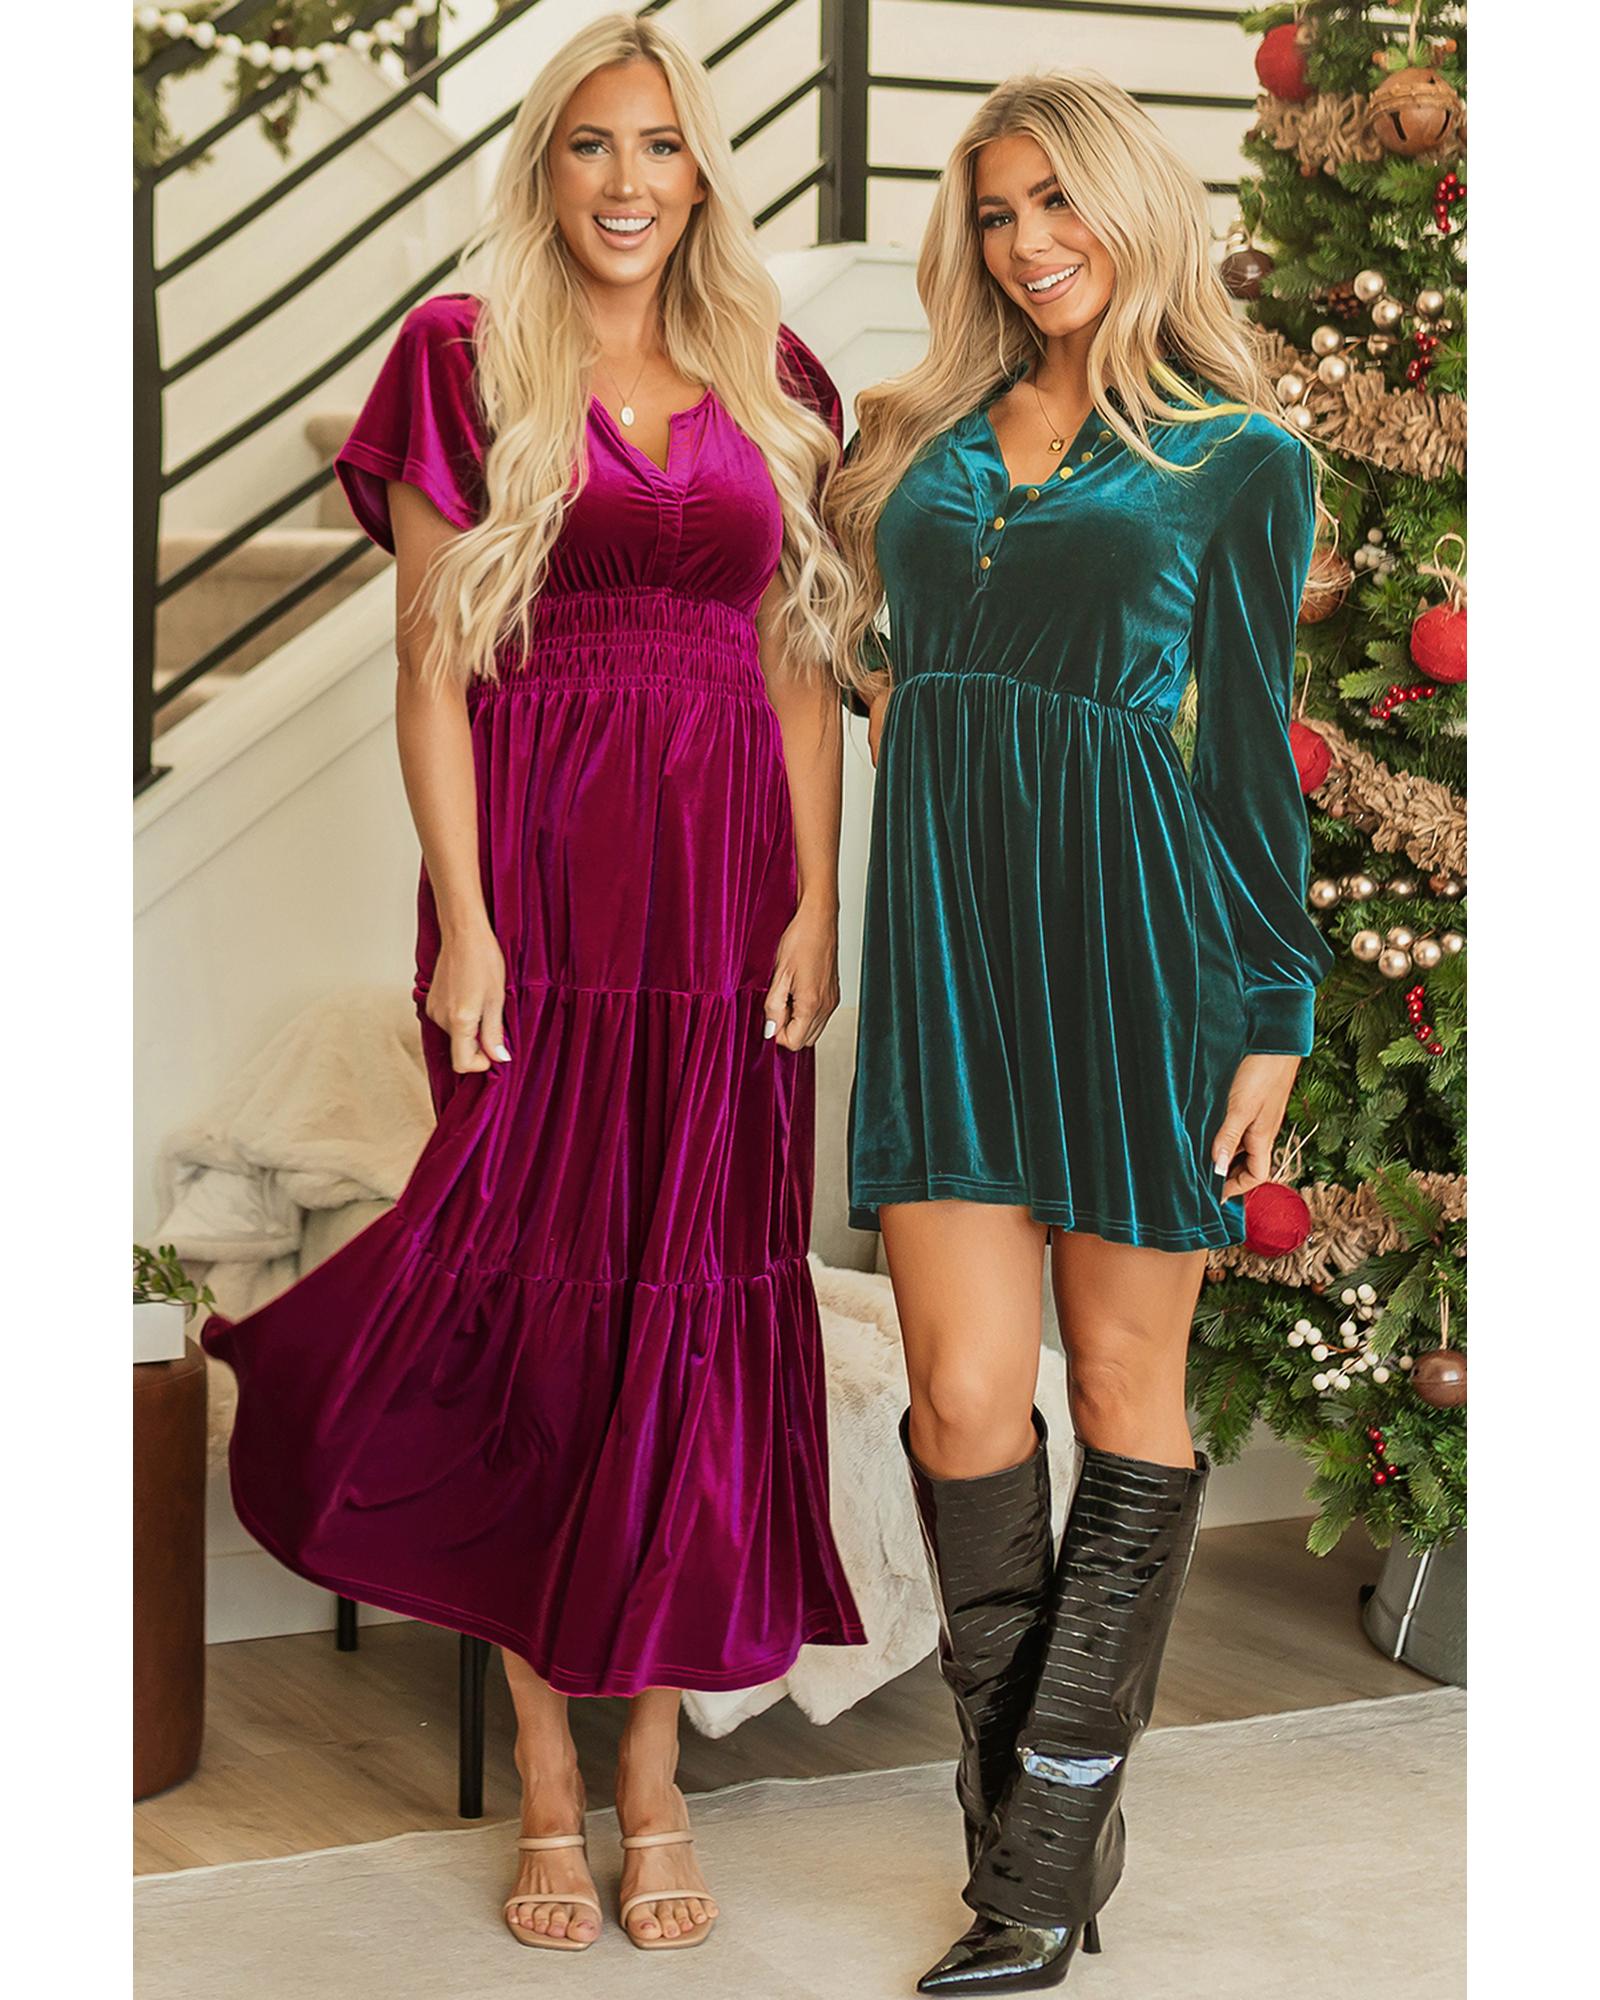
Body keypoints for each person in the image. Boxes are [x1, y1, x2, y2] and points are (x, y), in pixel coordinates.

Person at [201, 11, 866, 1957]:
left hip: (729, 900)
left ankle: (654, 1773)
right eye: (591, 144)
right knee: (531, 1306)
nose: (627, 182)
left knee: (690, 1303)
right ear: (544, 166)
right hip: (541, 900)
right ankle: (550, 1780)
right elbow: (431, 671)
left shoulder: (775, 374)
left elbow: (799, 670)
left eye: (660, 145)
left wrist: (815, 908)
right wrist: (471, 921)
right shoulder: (460, 359)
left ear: (703, 168)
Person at [825, 69, 1335, 1995]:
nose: (1031, 241)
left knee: (1126, 1390)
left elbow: (1254, 757)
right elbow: (879, 659)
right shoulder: (923, 438)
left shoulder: (1239, 458)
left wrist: (1271, 1010)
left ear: (1131, 202)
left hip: (1142, 960)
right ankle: (1047, 1823)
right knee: (960, 1400)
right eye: (997, 211)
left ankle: (1030, 1868)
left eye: (1059, 201)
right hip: (951, 959)